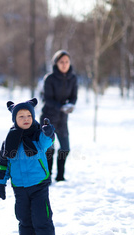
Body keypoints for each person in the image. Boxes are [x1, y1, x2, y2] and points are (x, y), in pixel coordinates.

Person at [0, 98, 57, 235]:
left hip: (38, 184)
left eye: (29, 115)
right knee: (23, 216)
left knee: (42, 216)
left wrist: (49, 133)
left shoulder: (38, 135)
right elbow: (4, 164)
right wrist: (1, 183)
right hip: (19, 186)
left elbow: (46, 142)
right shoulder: (9, 141)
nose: (26, 119)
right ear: (14, 119)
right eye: (21, 116)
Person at [40, 49, 78, 181]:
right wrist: (61, 107)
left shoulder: (72, 78)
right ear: (56, 63)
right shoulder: (49, 78)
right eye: (61, 62)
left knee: (65, 148)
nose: (64, 64)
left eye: (66, 62)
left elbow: (74, 97)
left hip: (62, 118)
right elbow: (47, 99)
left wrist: (71, 105)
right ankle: (47, 176)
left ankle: (60, 176)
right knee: (49, 149)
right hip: (48, 118)